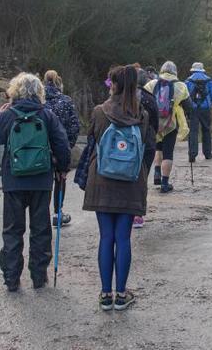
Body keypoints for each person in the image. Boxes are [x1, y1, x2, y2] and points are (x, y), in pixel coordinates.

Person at [0, 73, 71, 291]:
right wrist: (62, 168)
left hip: (14, 180)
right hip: (41, 180)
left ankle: (12, 279)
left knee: (12, 230)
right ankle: (39, 277)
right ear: (39, 91)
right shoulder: (46, 114)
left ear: (15, 91)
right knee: (40, 229)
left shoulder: (9, 115)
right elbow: (62, 144)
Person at [83, 66, 152, 311]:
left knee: (106, 237)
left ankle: (105, 294)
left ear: (114, 85)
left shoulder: (99, 112)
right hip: (130, 182)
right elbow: (149, 148)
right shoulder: (142, 115)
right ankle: (122, 295)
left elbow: (92, 140)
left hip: (102, 181)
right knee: (123, 238)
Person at [144, 61, 191, 193]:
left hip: (154, 122)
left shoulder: (151, 84)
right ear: (175, 71)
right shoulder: (181, 86)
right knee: (168, 152)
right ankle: (165, 183)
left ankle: (157, 173)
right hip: (171, 123)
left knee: (157, 147)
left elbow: (143, 101)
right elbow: (189, 106)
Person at [43, 70, 81, 226]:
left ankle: (42, 213)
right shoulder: (66, 101)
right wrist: (68, 145)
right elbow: (74, 126)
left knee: (44, 182)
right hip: (60, 146)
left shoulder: (39, 101)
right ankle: (58, 212)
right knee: (60, 179)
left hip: (41, 148)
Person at [134, 67, 160, 228]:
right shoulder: (149, 98)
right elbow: (155, 121)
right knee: (142, 177)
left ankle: (124, 210)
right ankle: (138, 213)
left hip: (126, 143)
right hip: (147, 142)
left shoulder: (120, 97)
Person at [185, 62, 212, 162]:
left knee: (193, 131)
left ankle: (192, 154)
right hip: (205, 109)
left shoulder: (188, 81)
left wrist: (185, 108)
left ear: (193, 70)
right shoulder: (209, 80)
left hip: (193, 109)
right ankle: (208, 153)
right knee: (206, 130)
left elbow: (185, 95)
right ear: (202, 70)